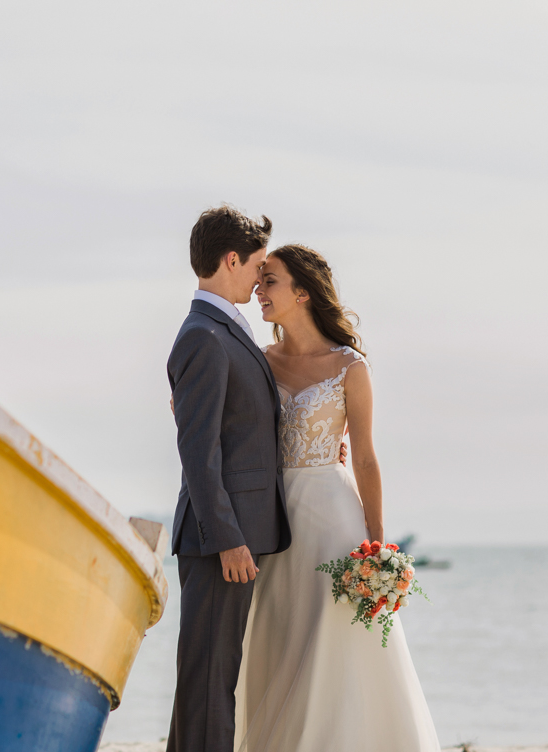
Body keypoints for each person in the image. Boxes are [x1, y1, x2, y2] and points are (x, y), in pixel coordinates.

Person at [234, 243, 438, 751]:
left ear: (302, 292)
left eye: (270, 280)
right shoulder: (258, 362)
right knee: (283, 637)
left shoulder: (350, 367)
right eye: (259, 280)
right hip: (274, 522)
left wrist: (378, 545)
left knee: (336, 637)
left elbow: (365, 458)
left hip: (334, 519)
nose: (259, 289)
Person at [165, 205, 290, 752]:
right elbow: (198, 452)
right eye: (258, 267)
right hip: (221, 540)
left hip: (232, 534)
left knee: (214, 676)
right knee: (209, 679)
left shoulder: (220, 331)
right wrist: (228, 539)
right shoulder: (203, 336)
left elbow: (239, 428)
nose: (260, 280)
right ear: (231, 260)